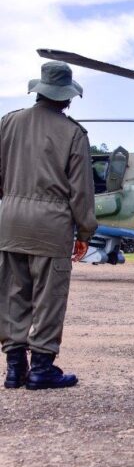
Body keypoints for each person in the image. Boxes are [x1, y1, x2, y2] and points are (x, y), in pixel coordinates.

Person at [0, 60, 97, 390]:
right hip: (51, 227)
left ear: (39, 90)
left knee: (13, 295)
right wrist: (85, 232)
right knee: (48, 298)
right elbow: (81, 191)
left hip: (9, 223)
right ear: (68, 98)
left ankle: (14, 369)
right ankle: (41, 367)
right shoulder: (73, 134)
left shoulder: (8, 123)